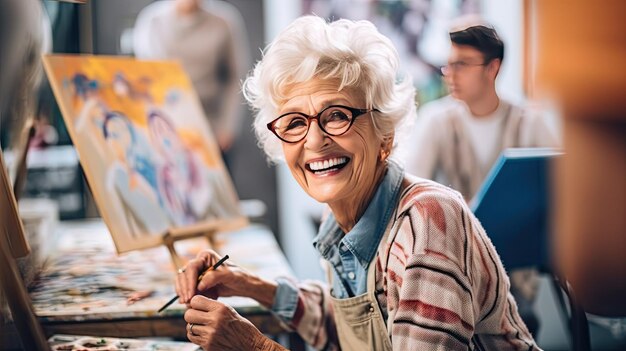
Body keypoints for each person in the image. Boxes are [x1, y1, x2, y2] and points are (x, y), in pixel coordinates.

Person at [175, 16, 540, 350]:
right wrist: (248, 284)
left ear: (385, 136)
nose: (315, 141)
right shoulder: (339, 217)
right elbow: (349, 327)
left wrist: (254, 346)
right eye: (295, 122)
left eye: (337, 115)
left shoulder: (427, 222)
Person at [400, 20, 560, 336]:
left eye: (461, 64)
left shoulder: (530, 122)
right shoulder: (438, 121)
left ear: (493, 68)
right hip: (458, 274)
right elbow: (408, 190)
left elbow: (565, 192)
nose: (451, 75)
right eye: (448, 65)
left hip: (516, 278)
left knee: (518, 324)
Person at [133, 0, 250, 165]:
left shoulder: (224, 21)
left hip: (212, 129)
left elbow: (236, 76)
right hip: (166, 128)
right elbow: (145, 79)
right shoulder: (152, 21)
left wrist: (227, 127)